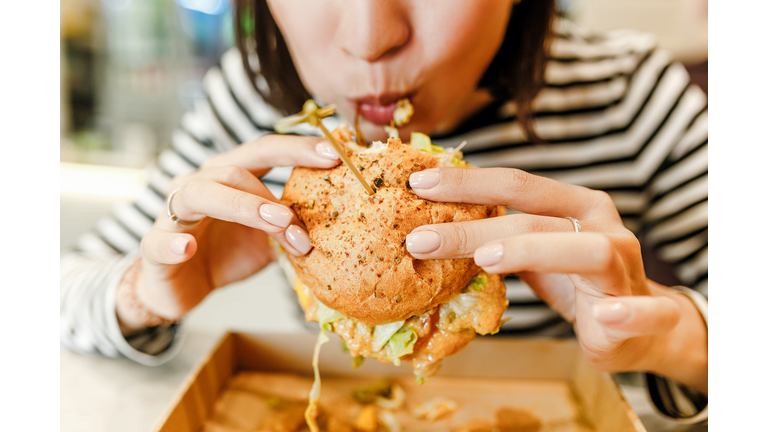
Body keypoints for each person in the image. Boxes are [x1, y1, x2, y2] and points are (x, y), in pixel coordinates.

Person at [60, 0, 708, 422]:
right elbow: (45, 291)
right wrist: (146, 291)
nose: (370, 40)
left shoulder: (630, 94)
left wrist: (679, 340)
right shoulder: (254, 105)